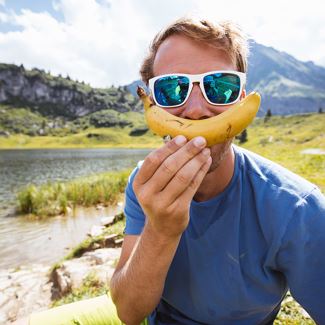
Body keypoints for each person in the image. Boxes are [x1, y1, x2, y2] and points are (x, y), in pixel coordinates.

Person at [110, 17, 325, 324]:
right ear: (154, 104)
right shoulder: (143, 186)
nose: (196, 110)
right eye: (172, 89)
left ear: (240, 98)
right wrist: (160, 229)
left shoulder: (297, 208)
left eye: (220, 87)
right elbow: (129, 313)